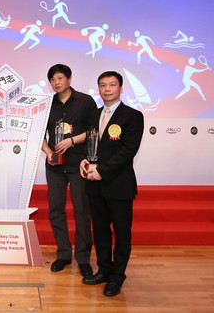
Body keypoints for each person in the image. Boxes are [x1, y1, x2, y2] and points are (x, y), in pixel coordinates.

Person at [79, 70, 144, 297]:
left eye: (112, 85)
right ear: (99, 89)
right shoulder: (93, 115)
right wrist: (85, 160)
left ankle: (117, 276)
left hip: (118, 184)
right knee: (101, 231)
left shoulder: (133, 116)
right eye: (103, 85)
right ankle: (104, 270)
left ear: (121, 88)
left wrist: (102, 172)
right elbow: (90, 144)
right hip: (94, 185)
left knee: (121, 232)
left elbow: (128, 151)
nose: (107, 89)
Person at [41, 64, 97, 277]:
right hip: (55, 165)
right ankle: (63, 254)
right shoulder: (46, 105)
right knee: (56, 210)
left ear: (69, 79)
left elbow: (94, 131)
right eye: (53, 79)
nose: (56, 82)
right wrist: (47, 152)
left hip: (78, 163)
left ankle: (83, 258)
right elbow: (39, 135)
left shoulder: (85, 101)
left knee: (82, 210)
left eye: (60, 78)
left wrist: (71, 141)